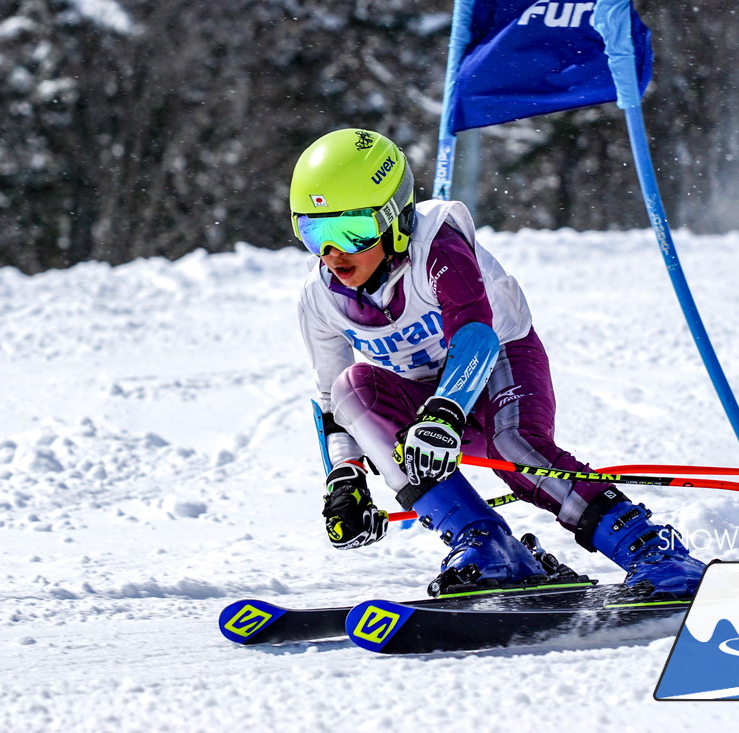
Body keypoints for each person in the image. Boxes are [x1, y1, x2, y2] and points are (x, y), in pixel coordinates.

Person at [290, 128, 705, 598]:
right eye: (315, 233)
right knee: (352, 388)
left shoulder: (437, 245)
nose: (333, 253)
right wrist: (345, 477)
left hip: (500, 363)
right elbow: (330, 400)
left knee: (512, 446)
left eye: (352, 231)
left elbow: (475, 333)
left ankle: (653, 551)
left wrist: (445, 413)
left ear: (395, 219)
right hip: (429, 401)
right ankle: (489, 545)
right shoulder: (318, 298)